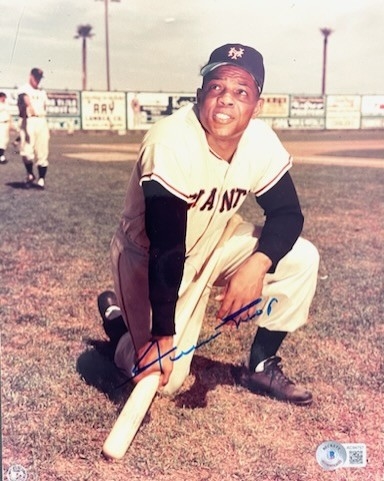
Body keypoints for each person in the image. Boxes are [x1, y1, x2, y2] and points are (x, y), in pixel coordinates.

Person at [98, 43, 320, 406]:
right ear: (200, 94)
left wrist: (256, 265)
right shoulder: (170, 141)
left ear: (257, 104)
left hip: (215, 243)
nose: (226, 100)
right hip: (147, 259)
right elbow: (166, 245)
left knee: (301, 257)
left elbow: (287, 214)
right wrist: (162, 334)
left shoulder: (260, 140)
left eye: (241, 91)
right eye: (217, 87)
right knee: (161, 378)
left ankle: (261, 365)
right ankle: (119, 327)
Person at [17, 68, 50, 189]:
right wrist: (29, 105)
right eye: (36, 77)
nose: (37, 80)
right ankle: (30, 173)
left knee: (42, 151)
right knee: (26, 153)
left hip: (41, 120)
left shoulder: (42, 92)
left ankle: (41, 179)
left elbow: (45, 106)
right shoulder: (24, 88)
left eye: (40, 78)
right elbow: (25, 99)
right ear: (31, 76)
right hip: (29, 121)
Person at [0, 91, 11, 164]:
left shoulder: (6, 105)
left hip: (6, 123)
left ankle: (1, 156)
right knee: (1, 141)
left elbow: (9, 115)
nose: (4, 99)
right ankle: (1, 157)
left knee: (5, 141)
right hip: (0, 123)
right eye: (3, 97)